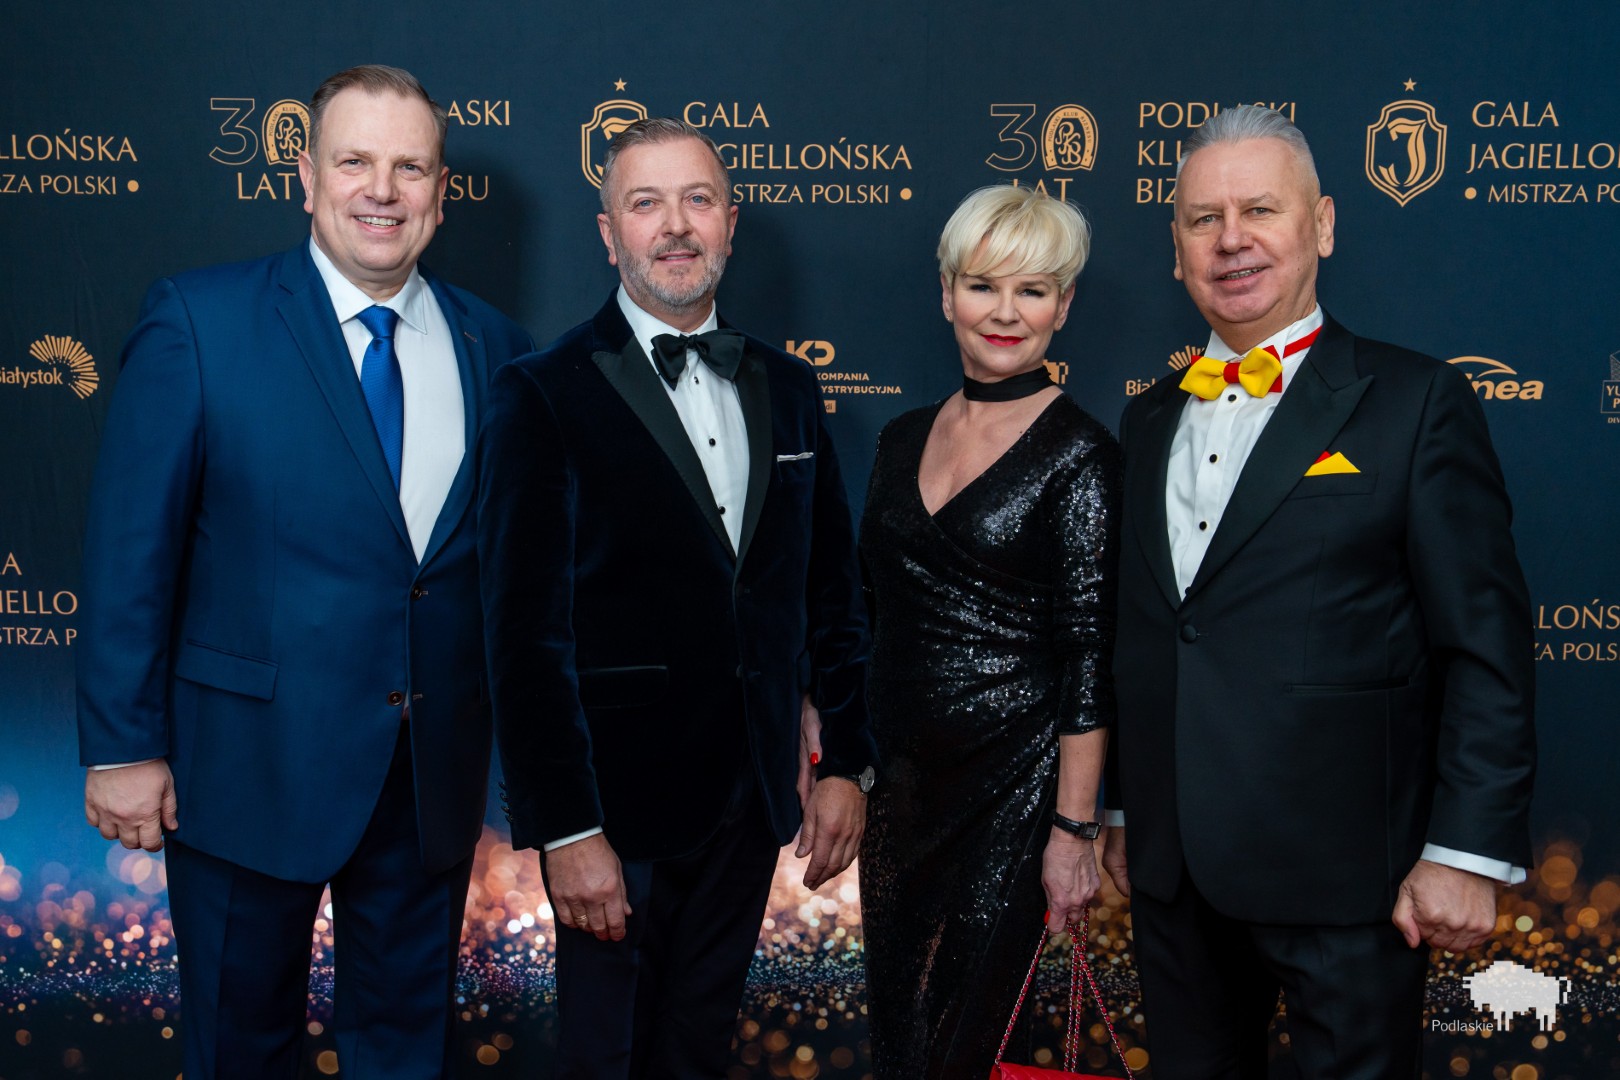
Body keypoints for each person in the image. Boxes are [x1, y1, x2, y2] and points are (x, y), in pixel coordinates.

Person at [76, 64, 533, 1079]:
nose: (383, 191)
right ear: (307, 177)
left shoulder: (497, 349)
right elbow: (129, 551)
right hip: (242, 771)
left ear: (441, 190)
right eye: (355, 161)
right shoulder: (199, 322)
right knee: (240, 1049)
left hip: (426, 784)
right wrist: (121, 747)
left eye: (410, 167)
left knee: (405, 1055)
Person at [1101, 105, 1535, 1079]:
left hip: (1350, 880)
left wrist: (1465, 851)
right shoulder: (1146, 420)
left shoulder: (1418, 402)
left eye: (1260, 209)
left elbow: (1485, 648)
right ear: (1176, 248)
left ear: (1324, 225)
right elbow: (1151, 633)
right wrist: (1124, 811)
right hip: (1176, 875)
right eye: (1204, 218)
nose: (1232, 239)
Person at [477, 116, 877, 1078]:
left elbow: (832, 593)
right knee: (606, 1060)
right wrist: (567, 830)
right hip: (616, 816)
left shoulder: (790, 387)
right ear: (609, 232)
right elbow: (524, 639)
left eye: (698, 200)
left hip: (750, 805)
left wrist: (844, 764)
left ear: (730, 223)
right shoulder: (542, 392)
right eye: (646, 203)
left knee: (697, 1056)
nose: (676, 225)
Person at [858, 185, 1120, 1079]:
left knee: (961, 1050)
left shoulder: (1082, 454)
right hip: (900, 801)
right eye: (983, 285)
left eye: (1033, 290)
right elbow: (873, 616)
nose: (1006, 312)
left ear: (1063, 306)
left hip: (1014, 799)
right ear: (946, 294)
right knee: (901, 1045)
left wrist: (1073, 831)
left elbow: (1089, 655)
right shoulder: (899, 439)